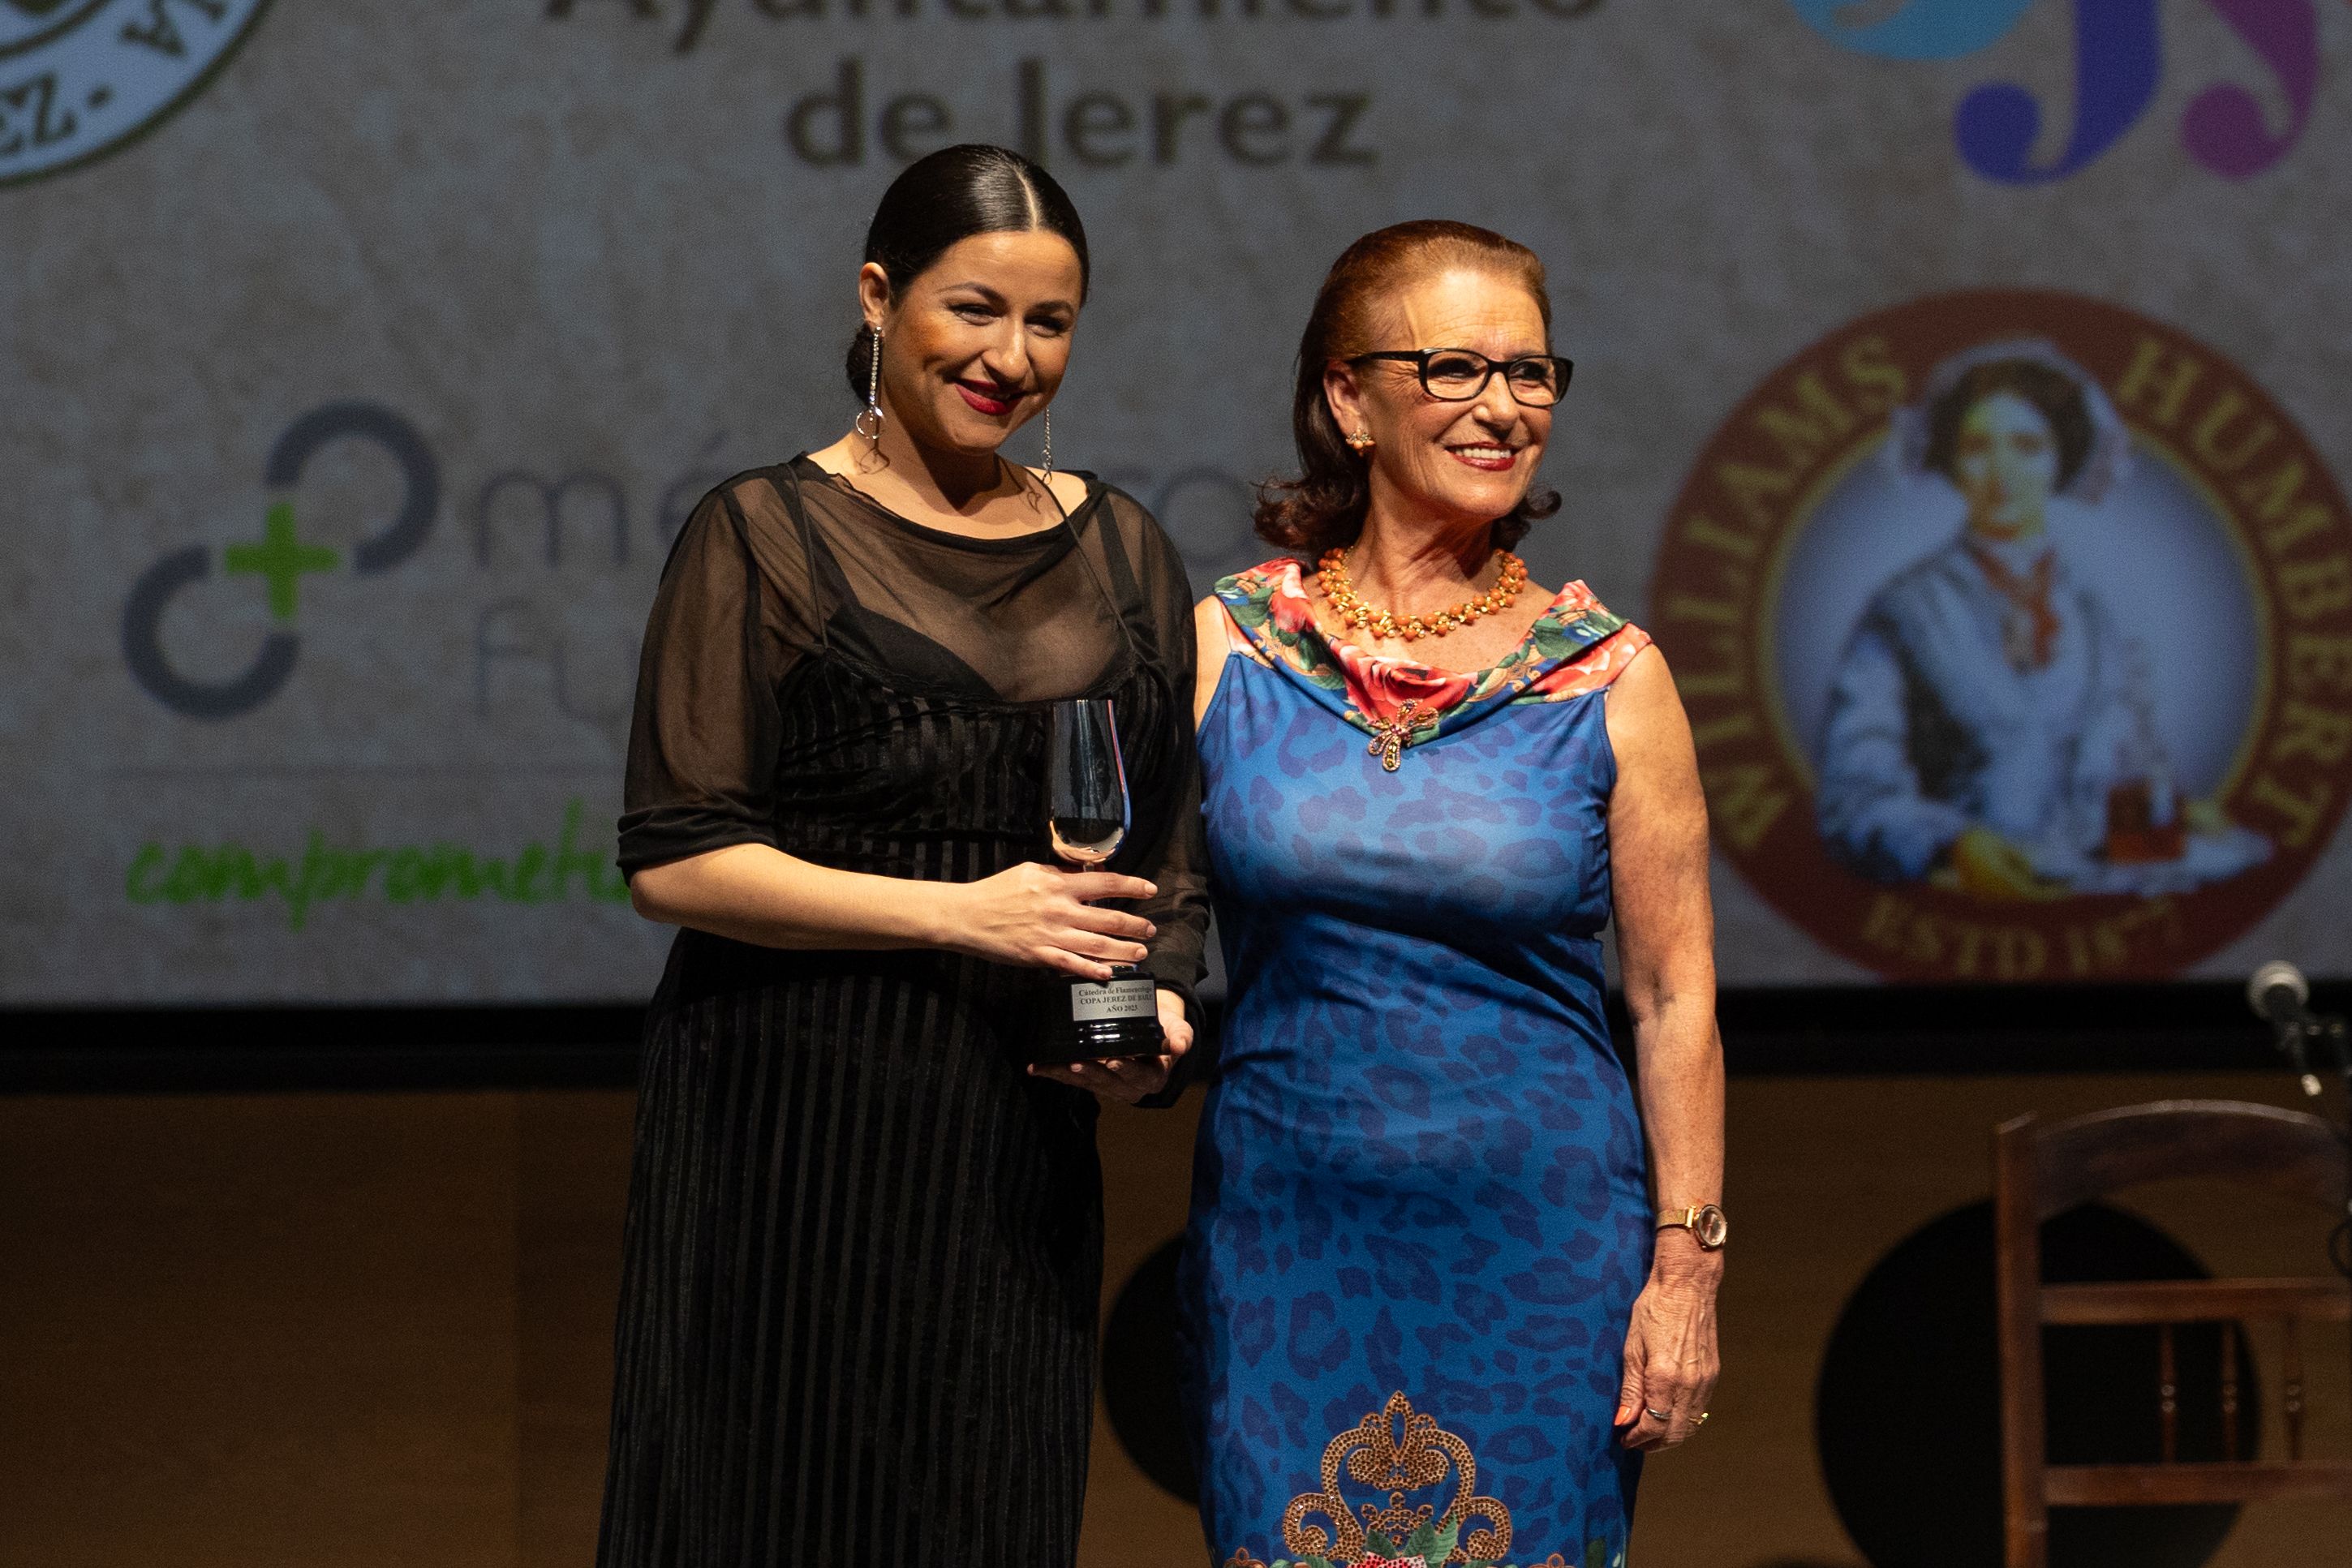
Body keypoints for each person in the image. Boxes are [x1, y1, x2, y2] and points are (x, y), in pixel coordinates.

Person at [598, 144, 1208, 1568]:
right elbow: (675, 859)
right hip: (786, 1128)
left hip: (1010, 1149)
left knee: (983, 1509)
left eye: (1048, 322)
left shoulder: (1120, 548)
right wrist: (962, 914)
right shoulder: (763, 533)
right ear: (879, 297)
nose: (1010, 357)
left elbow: (1167, 849)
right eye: (972, 309)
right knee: (766, 1516)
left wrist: (1157, 1011)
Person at [1177, 221, 1724, 1568]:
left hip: (1539, 1251)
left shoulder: (1609, 676)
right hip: (1286, 1240)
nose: (1501, 405)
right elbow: (1135, 914)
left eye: (1528, 372)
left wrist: (1685, 1266)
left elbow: (1671, 998)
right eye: (1452, 368)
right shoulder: (1230, 647)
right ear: (1347, 399)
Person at [1816, 341, 2268, 898]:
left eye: (2027, 447)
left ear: (2061, 460)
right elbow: (1852, 799)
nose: (2001, 472)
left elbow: (2115, 772)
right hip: (1960, 908)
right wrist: (1954, 845)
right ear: (1951, 463)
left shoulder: (2094, 614)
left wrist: (2170, 815)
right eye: (1977, 448)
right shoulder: (1906, 610)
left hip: (2083, 904)